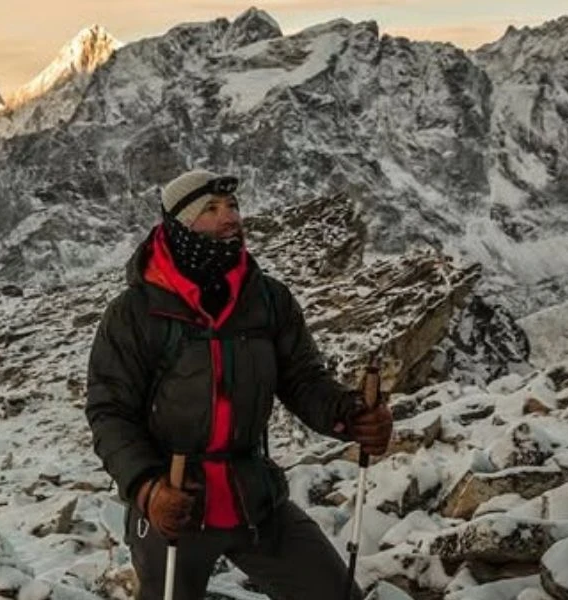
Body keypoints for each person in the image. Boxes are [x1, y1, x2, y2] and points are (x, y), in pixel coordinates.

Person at [83, 169, 394, 600]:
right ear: (181, 224)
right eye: (211, 209)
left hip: (253, 496)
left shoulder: (267, 298)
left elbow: (303, 379)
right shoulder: (135, 312)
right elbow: (109, 411)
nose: (229, 217)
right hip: (173, 504)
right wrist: (147, 488)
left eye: (232, 206)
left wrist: (350, 416)